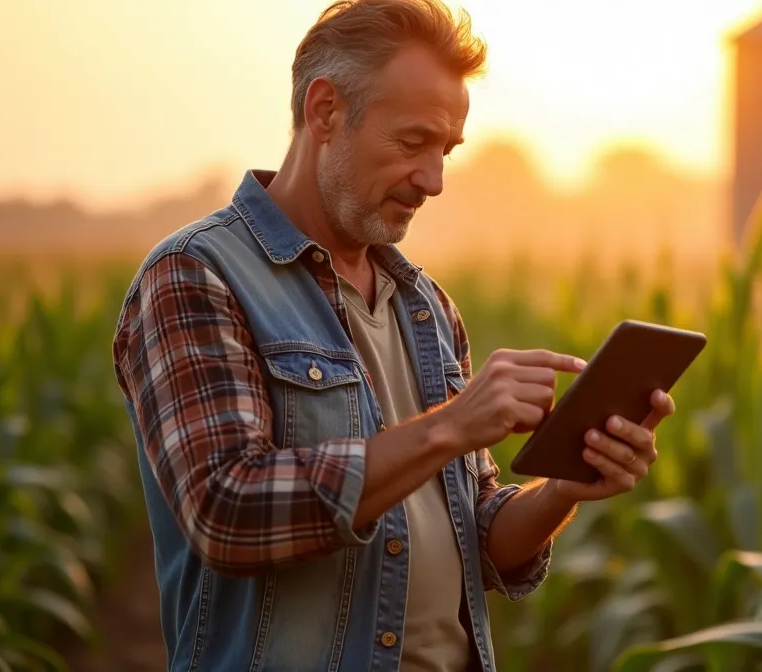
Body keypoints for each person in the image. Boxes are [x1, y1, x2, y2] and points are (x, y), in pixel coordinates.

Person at [110, 0, 677, 670]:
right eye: (413, 143)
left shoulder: (426, 305)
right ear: (325, 111)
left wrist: (562, 491)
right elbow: (225, 511)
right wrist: (450, 426)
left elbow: (477, 539)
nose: (433, 180)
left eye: (446, 150)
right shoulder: (196, 275)